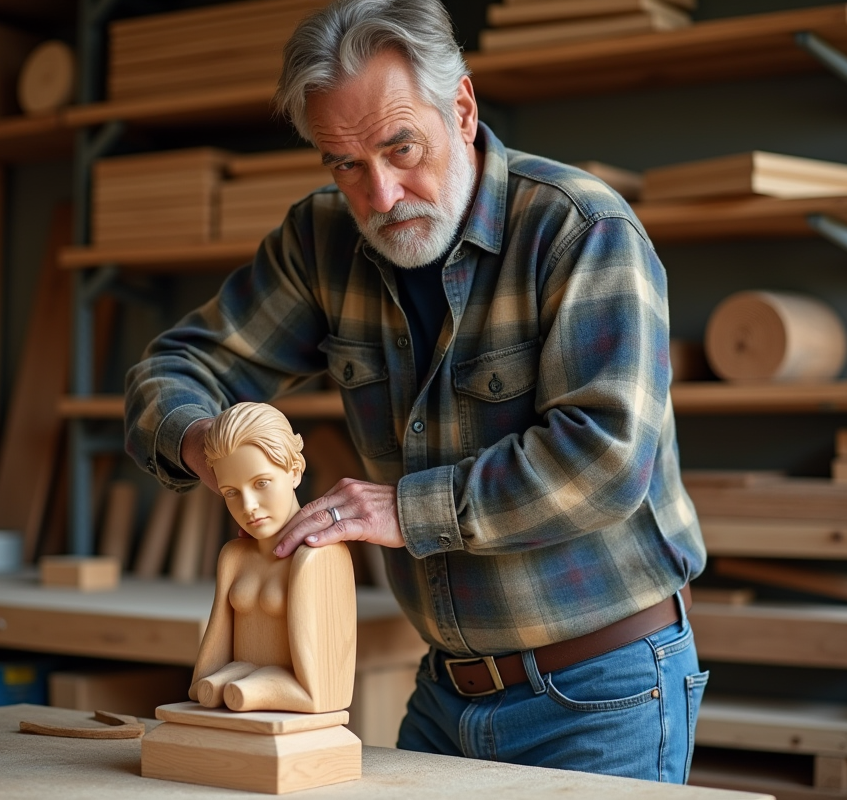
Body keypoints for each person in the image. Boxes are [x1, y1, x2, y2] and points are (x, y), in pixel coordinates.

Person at [126, 0, 707, 782]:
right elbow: (176, 368)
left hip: (603, 687)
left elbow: (603, 459)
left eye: (403, 149)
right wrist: (207, 446)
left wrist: (404, 509)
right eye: (345, 164)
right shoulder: (321, 240)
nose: (384, 195)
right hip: (443, 690)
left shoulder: (578, 230)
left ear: (461, 108)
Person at [187, 402, 356, 714]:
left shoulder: (317, 558)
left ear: (294, 472)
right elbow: (210, 660)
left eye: (261, 483)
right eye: (230, 492)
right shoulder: (234, 555)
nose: (248, 506)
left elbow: (322, 688)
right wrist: (204, 682)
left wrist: (255, 687)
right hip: (247, 674)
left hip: (301, 687)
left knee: (235, 694)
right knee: (210, 691)